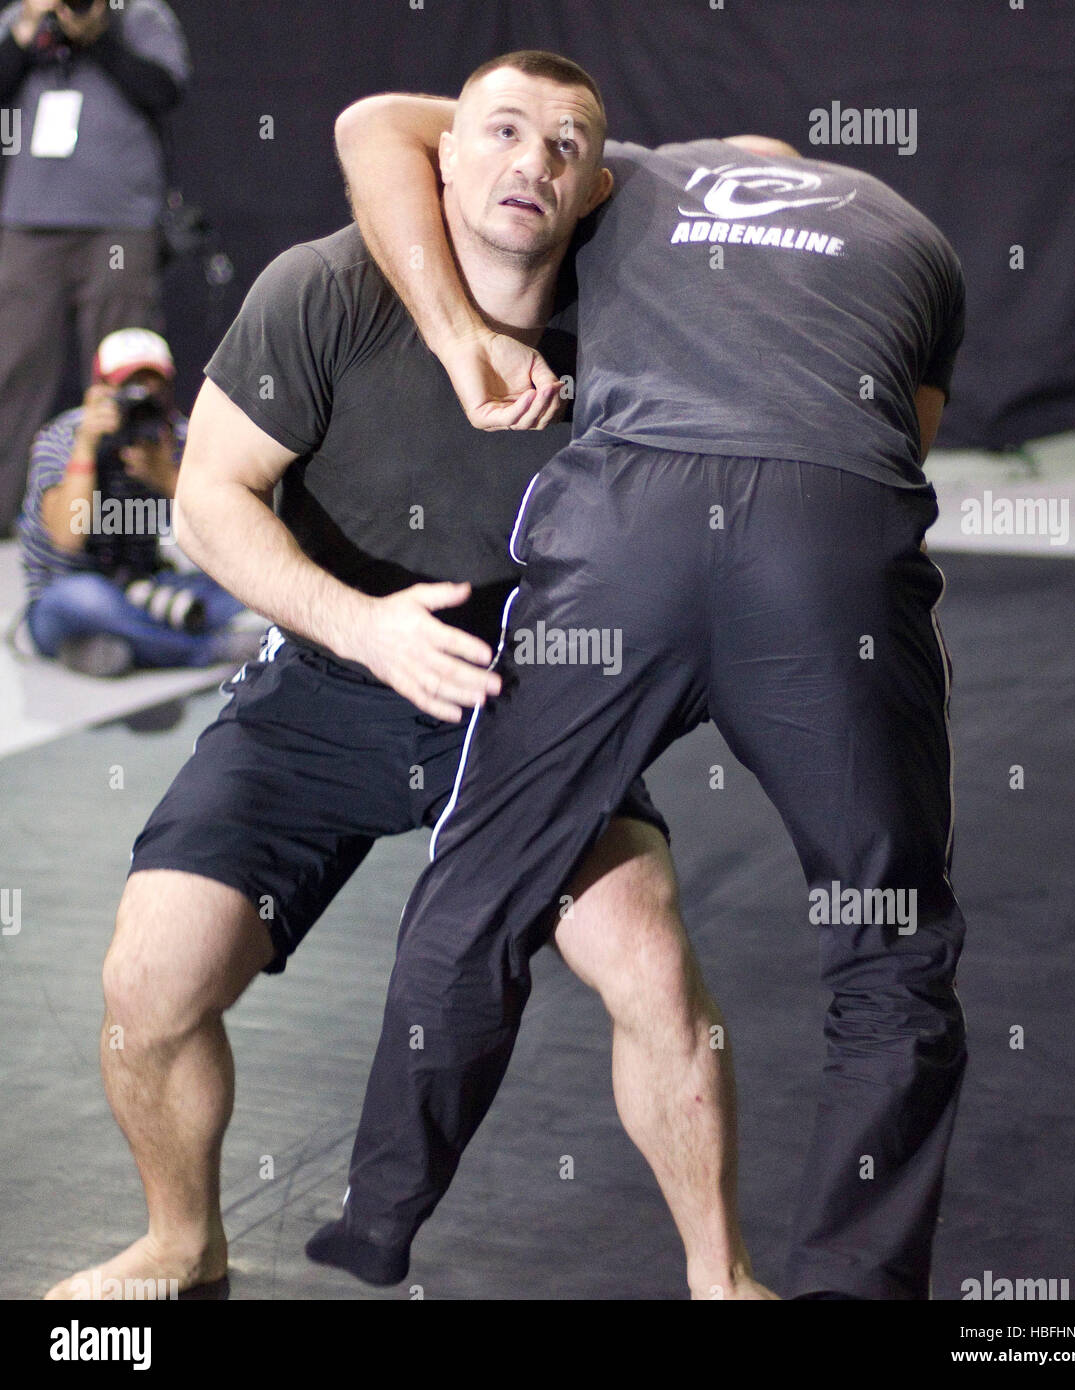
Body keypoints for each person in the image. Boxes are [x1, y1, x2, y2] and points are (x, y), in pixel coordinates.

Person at [45, 53, 776, 1301]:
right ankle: (181, 1244)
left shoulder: (631, 307)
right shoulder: (327, 286)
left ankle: (723, 1280)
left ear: (596, 187)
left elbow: (760, 171)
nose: (528, 164)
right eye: (497, 132)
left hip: (528, 699)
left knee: (649, 961)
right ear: (440, 152)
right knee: (148, 978)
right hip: (332, 662)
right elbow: (213, 502)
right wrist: (362, 625)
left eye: (563, 147)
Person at [311, 55, 968, 1301]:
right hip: (825, 542)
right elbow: (904, 447)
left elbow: (373, 124)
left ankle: (378, 1215)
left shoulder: (626, 183)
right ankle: (852, 1282)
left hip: (629, 534)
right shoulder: (912, 232)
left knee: (487, 876)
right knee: (889, 947)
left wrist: (459, 345)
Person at [0, 0, 190, 534]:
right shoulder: (23, 16)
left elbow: (165, 91)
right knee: (13, 368)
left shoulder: (141, 16)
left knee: (126, 371)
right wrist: (24, 32)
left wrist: (99, 36)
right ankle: (4, 510)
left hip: (119, 222)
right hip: (30, 222)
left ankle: (121, 513)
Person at [16, 327, 257, 676]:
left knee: (247, 580)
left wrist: (167, 479)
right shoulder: (63, 437)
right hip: (66, 592)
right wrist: (86, 448)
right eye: (131, 389)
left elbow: (235, 531)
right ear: (101, 392)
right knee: (89, 600)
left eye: (153, 387)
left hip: (145, 586)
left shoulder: (179, 437)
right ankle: (205, 649)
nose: (143, 398)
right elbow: (67, 539)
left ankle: (114, 646)